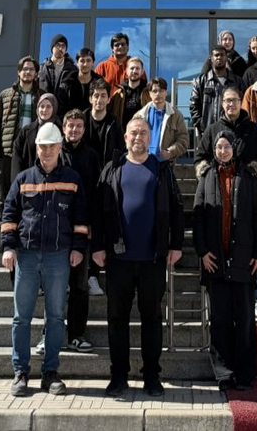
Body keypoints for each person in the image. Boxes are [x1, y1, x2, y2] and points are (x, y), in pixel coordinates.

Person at [92, 118, 184, 398]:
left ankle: (152, 377)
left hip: (152, 259)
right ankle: (118, 376)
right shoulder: (112, 169)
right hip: (117, 260)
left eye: (143, 132)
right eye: (134, 132)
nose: (138, 137)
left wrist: (176, 244)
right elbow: (97, 211)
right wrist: (97, 246)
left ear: (149, 137)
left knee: (152, 319)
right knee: (116, 318)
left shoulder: (162, 169)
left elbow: (178, 208)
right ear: (126, 137)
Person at [0, 123, 89, 397]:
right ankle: (21, 371)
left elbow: (81, 219)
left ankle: (50, 372)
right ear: (36, 148)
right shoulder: (23, 178)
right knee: (21, 318)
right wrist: (8, 247)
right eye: (42, 146)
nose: (47, 151)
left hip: (58, 257)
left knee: (56, 317)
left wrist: (78, 248)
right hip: (26, 256)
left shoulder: (73, 179)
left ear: (60, 148)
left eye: (52, 146)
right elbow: (9, 214)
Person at [193, 130, 257, 391]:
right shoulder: (207, 177)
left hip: (243, 260)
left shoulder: (247, 177)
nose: (222, 151)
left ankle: (245, 373)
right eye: (218, 147)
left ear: (234, 149)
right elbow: (198, 217)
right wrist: (202, 252)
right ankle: (223, 373)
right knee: (220, 321)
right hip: (215, 261)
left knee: (245, 320)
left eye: (226, 146)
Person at [194, 85, 257, 323]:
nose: (231, 105)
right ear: (222, 104)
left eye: (235, 100)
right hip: (218, 195)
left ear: (241, 102)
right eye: (227, 101)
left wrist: (253, 176)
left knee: (248, 247)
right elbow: (200, 158)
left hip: (246, 196)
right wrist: (210, 176)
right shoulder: (212, 130)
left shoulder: (252, 129)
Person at [32, 109, 104, 357]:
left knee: (80, 286)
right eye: (70, 126)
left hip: (81, 230)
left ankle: (76, 335)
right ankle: (48, 336)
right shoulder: (54, 155)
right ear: (63, 129)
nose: (74, 130)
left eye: (78, 127)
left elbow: (96, 194)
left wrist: (93, 226)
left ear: (84, 129)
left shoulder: (92, 156)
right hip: (55, 232)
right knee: (54, 287)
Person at [0, 56, 41, 250]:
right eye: (25, 69)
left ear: (36, 73)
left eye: (32, 69)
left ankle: (24, 233)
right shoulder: (5, 95)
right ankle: (1, 235)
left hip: (31, 155)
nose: (28, 72)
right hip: (8, 153)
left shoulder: (40, 96)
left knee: (29, 195)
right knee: (4, 196)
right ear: (19, 72)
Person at [189, 46, 245, 136]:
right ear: (211, 58)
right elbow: (194, 104)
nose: (219, 57)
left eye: (222, 55)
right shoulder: (202, 81)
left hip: (233, 132)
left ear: (226, 58)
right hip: (208, 132)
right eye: (216, 55)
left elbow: (243, 105)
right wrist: (201, 125)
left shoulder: (237, 81)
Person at [133, 77, 189, 164]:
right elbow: (131, 138)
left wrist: (170, 152)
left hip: (165, 164)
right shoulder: (139, 116)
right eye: (155, 91)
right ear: (149, 93)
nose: (158, 94)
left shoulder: (176, 115)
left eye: (161, 90)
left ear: (166, 92)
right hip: (143, 163)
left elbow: (183, 140)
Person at [10, 93, 61, 181]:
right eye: (42, 106)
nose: (44, 110)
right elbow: (17, 158)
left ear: (54, 108)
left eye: (48, 106)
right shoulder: (25, 131)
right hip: (30, 181)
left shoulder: (60, 130)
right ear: (37, 108)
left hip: (55, 180)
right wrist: (18, 181)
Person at [84, 78, 125, 166]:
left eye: (103, 96)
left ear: (108, 99)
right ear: (90, 99)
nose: (99, 100)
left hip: (107, 173)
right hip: (85, 172)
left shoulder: (115, 124)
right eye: (96, 96)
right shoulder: (82, 121)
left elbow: (121, 151)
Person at [95, 32, 146, 97]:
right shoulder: (102, 67)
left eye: (123, 44)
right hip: (108, 105)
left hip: (131, 104)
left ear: (128, 47)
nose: (120, 47)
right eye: (117, 45)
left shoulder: (136, 66)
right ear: (112, 49)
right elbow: (94, 90)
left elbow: (144, 88)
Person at [59, 47, 102, 119]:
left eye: (88, 61)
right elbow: (61, 109)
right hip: (72, 125)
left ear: (93, 63)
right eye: (82, 61)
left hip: (93, 126)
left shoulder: (100, 84)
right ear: (77, 63)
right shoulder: (67, 83)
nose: (85, 64)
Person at [109, 56, 149, 129]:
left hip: (141, 135)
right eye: (132, 68)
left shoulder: (148, 93)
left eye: (137, 68)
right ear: (126, 71)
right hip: (121, 135)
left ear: (142, 71)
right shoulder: (118, 94)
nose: (134, 71)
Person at [39, 34, 77, 101]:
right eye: (58, 45)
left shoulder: (72, 70)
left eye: (63, 46)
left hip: (65, 109)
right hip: (45, 108)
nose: (61, 48)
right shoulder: (42, 69)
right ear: (52, 48)